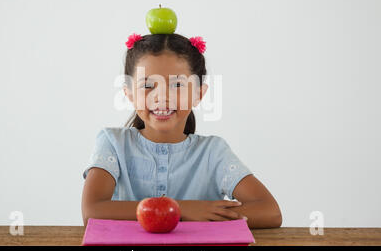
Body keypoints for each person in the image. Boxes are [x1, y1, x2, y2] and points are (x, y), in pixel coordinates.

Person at [81, 33, 282, 229]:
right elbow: (92, 211)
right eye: (148, 85)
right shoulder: (113, 143)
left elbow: (270, 212)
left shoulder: (213, 151)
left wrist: (206, 213)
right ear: (129, 94)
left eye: (177, 84)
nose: (162, 97)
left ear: (198, 94)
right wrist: (181, 209)